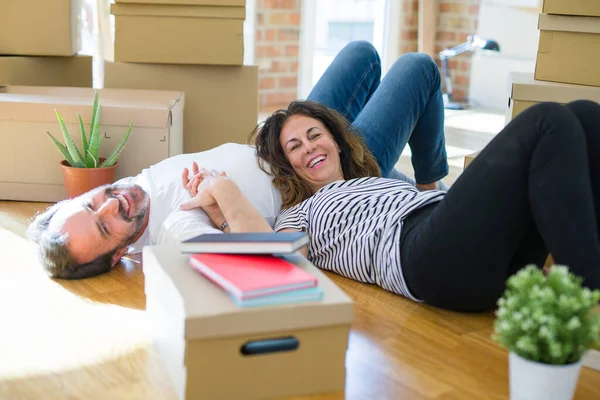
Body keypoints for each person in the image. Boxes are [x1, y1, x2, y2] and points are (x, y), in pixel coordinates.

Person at [26, 41, 448, 279]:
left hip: (282, 142)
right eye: (104, 225)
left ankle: (399, 180)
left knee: (361, 55)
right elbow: (263, 257)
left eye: (89, 202)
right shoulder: (174, 232)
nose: (109, 203)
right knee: (418, 68)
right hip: (319, 170)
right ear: (117, 255)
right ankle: (426, 189)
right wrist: (220, 202)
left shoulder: (130, 191)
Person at [180, 98, 600, 313]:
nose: (309, 148)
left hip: (472, 249)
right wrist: (222, 194)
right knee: (547, 121)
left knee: (584, 115)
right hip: (422, 255)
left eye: (314, 134)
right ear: (286, 166)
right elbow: (268, 258)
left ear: (335, 140)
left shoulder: (375, 181)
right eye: (294, 146)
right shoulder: (298, 214)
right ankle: (590, 295)